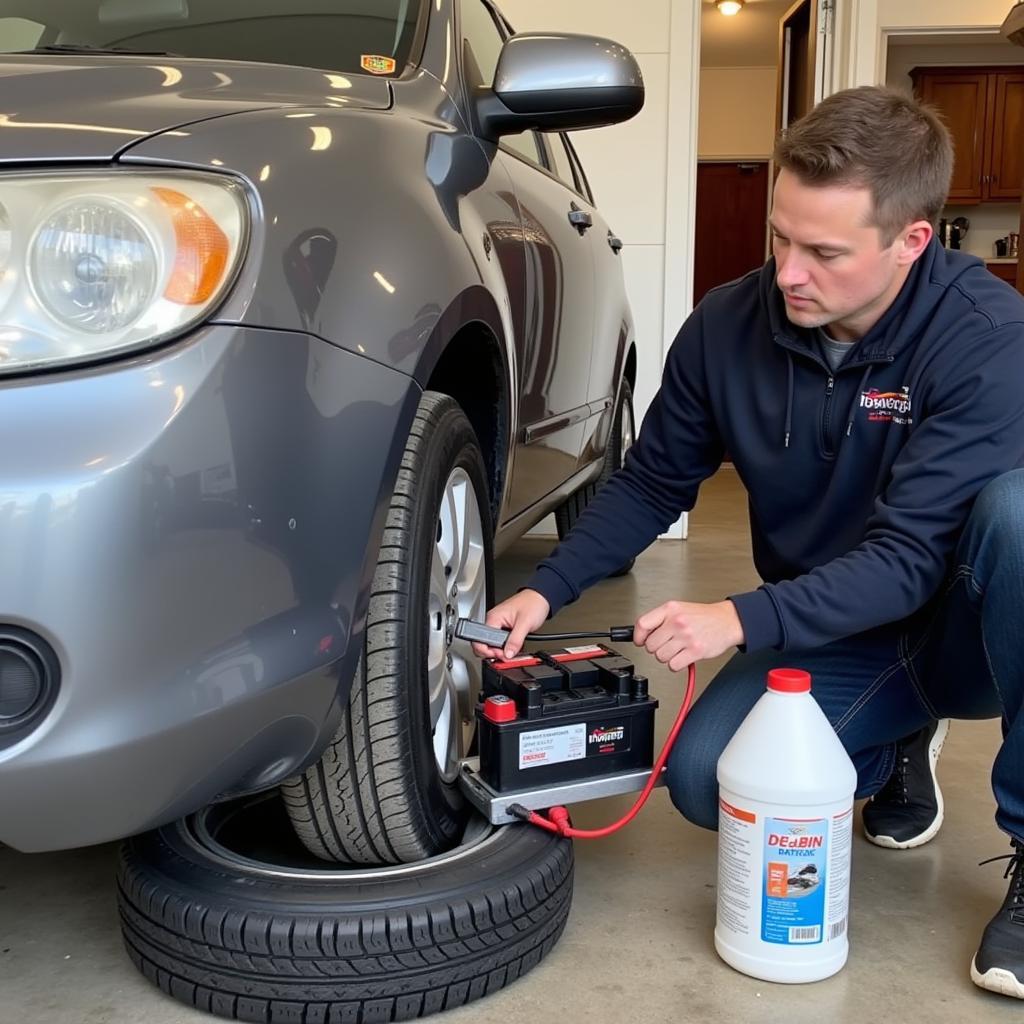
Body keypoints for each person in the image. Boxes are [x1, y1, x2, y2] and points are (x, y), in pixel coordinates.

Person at [474, 86, 1024, 998]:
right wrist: (548, 587)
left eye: (824, 252)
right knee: (706, 785)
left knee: (1019, 515)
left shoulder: (987, 340)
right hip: (837, 632)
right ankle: (890, 747)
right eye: (780, 236)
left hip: (965, 625)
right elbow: (653, 481)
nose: (790, 271)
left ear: (911, 241)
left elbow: (909, 560)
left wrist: (736, 614)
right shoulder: (728, 326)